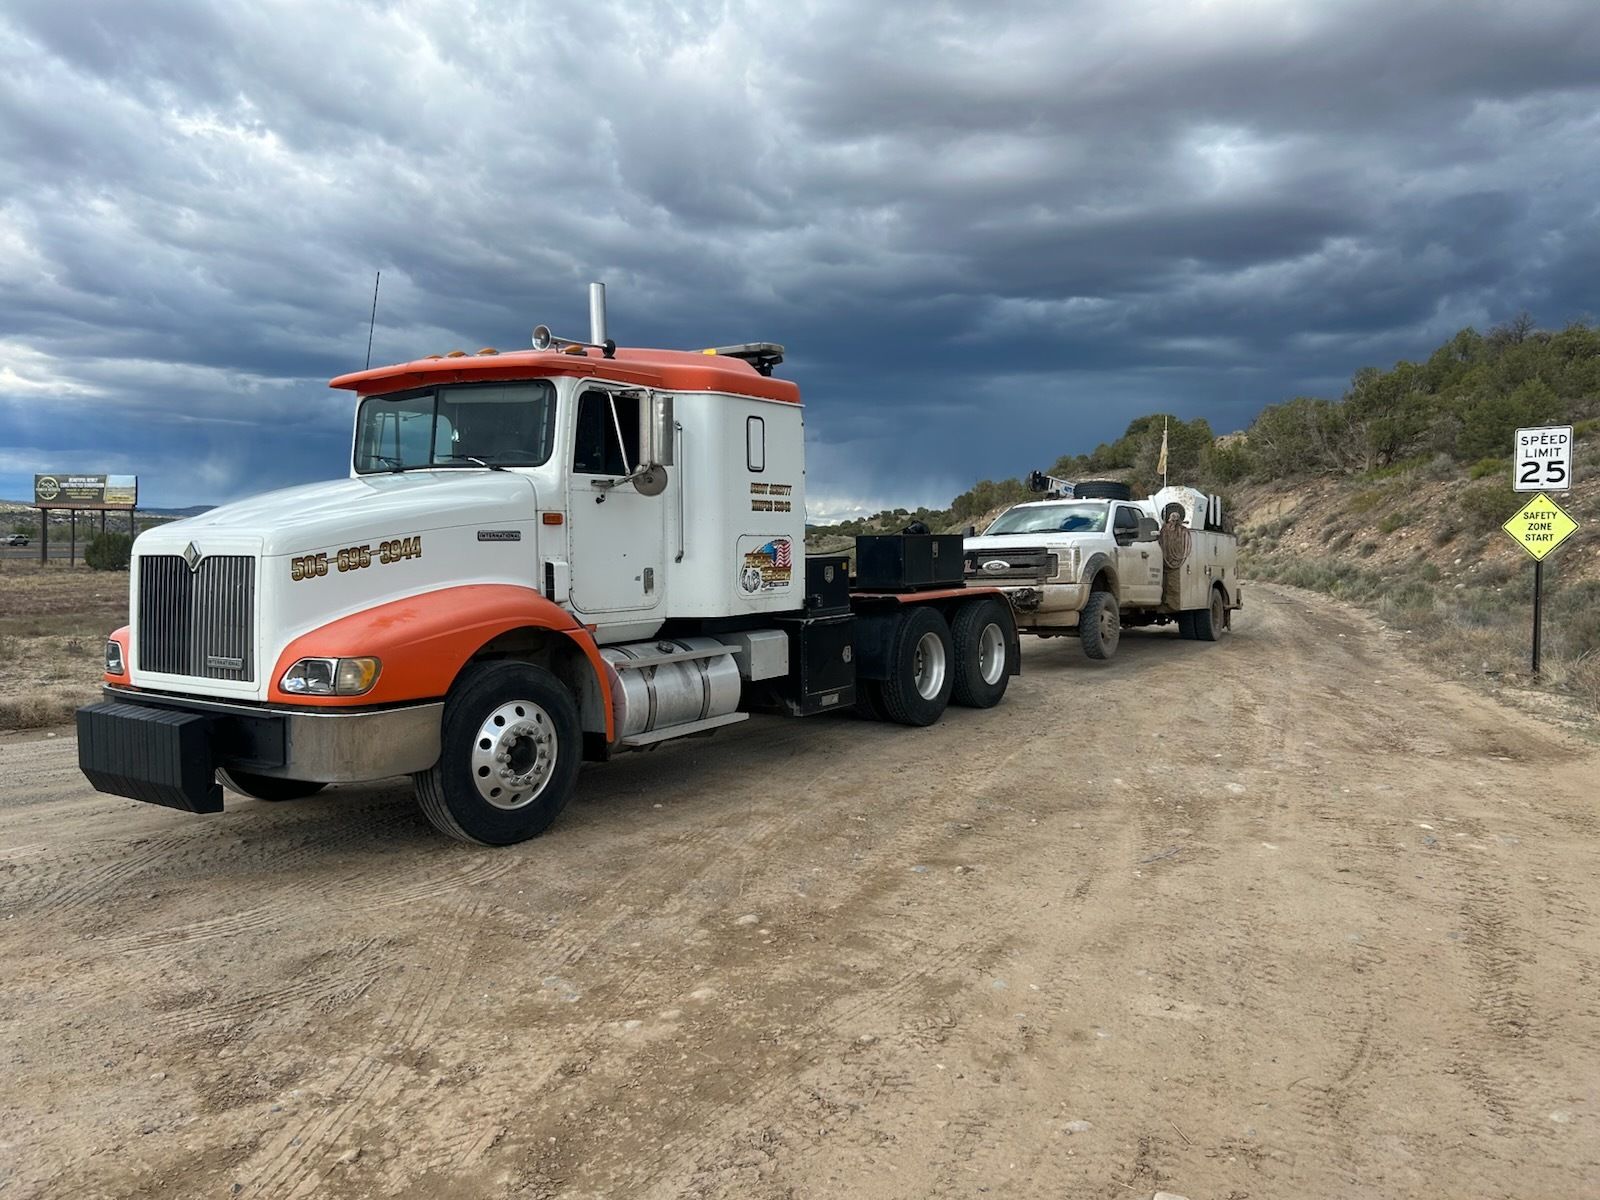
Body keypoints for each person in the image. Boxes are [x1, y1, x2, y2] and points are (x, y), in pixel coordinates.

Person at [1158, 505, 1190, 611]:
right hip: (1164, 562)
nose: (1174, 520)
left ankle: (1173, 605)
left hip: (1175, 564)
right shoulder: (1164, 530)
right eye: (1172, 518)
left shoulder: (1183, 532)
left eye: (1175, 518)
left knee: (1174, 585)